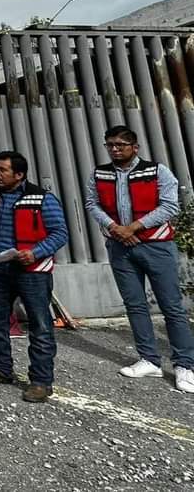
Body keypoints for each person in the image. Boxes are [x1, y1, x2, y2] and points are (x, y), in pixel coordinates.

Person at [84, 125, 194, 393]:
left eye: (120, 144)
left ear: (135, 147)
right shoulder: (99, 173)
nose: (114, 149)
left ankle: (184, 365)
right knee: (134, 304)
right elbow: (92, 204)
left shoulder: (157, 171)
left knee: (172, 307)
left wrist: (133, 227)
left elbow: (169, 206)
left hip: (156, 246)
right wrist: (115, 228)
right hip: (120, 247)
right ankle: (149, 360)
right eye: (109, 144)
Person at [0, 150, 69, 403]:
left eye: (3, 170)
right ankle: (0, 368)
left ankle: (41, 381)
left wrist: (35, 253)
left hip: (32, 270)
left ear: (19, 174)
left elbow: (60, 234)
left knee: (40, 325)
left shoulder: (42, 198)